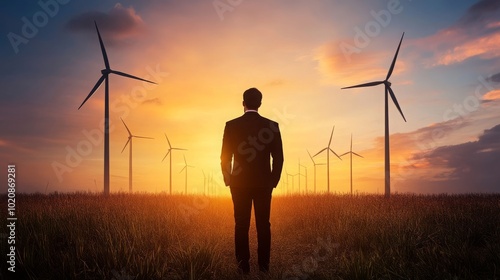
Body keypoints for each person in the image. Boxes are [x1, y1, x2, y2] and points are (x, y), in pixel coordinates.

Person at [220, 87, 284, 275]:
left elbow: (225, 157)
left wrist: (228, 178)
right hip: (264, 184)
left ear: (243, 103)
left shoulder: (231, 125)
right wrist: (273, 180)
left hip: (239, 184)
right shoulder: (272, 126)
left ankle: (243, 267)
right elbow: (278, 158)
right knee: (264, 224)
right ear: (260, 103)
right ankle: (264, 267)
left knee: (241, 224)